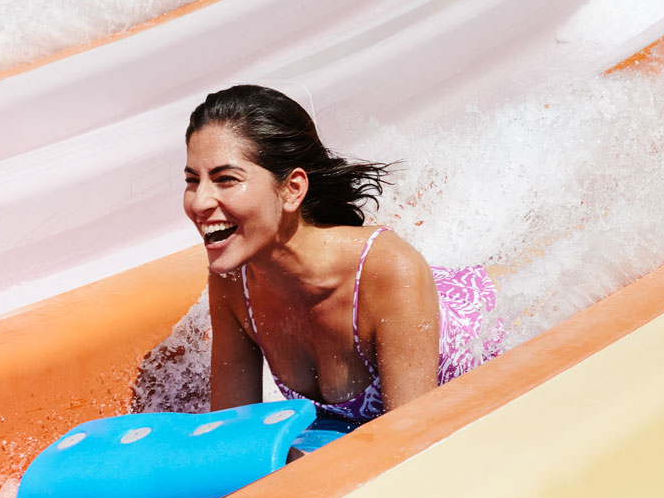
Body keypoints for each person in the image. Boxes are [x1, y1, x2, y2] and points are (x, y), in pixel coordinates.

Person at [189, 85, 503, 430]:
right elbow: (232, 433)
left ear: (292, 189)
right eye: (193, 180)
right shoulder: (233, 280)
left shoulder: (388, 269)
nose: (200, 201)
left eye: (226, 179)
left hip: (501, 338)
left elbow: (411, 441)